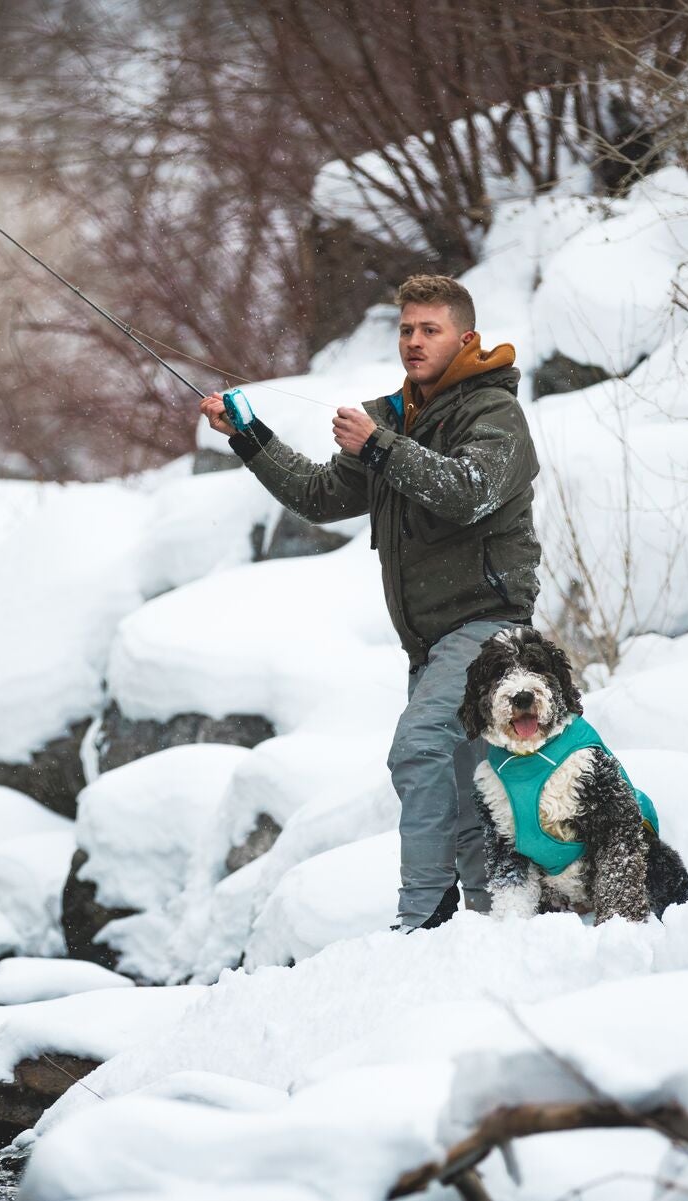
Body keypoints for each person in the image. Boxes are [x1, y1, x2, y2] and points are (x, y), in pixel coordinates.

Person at [200, 274, 542, 930]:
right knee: (469, 795)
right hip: (432, 645)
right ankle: (488, 931)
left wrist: (378, 447)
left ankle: (423, 918)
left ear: (465, 338)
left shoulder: (493, 414)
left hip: (490, 629)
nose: (413, 341)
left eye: (429, 330)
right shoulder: (392, 417)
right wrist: (248, 436)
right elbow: (323, 496)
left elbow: (466, 490)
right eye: (406, 329)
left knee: (418, 749)